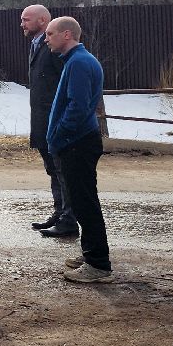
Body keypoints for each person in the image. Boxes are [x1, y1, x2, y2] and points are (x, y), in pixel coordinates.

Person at [44, 16, 112, 284]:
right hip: (77, 142)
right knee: (83, 202)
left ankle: (98, 265)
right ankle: (91, 254)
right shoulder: (75, 61)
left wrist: (60, 136)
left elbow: (78, 107)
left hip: (78, 144)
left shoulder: (80, 63)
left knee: (85, 204)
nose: (46, 38)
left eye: (50, 33)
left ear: (67, 35)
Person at [20, 4, 76, 237]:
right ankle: (59, 212)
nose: (22, 24)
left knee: (63, 171)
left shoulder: (53, 47)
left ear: (42, 21)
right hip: (42, 122)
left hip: (55, 122)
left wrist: (61, 122)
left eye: (26, 20)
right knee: (52, 169)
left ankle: (68, 220)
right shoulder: (36, 45)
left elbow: (65, 85)